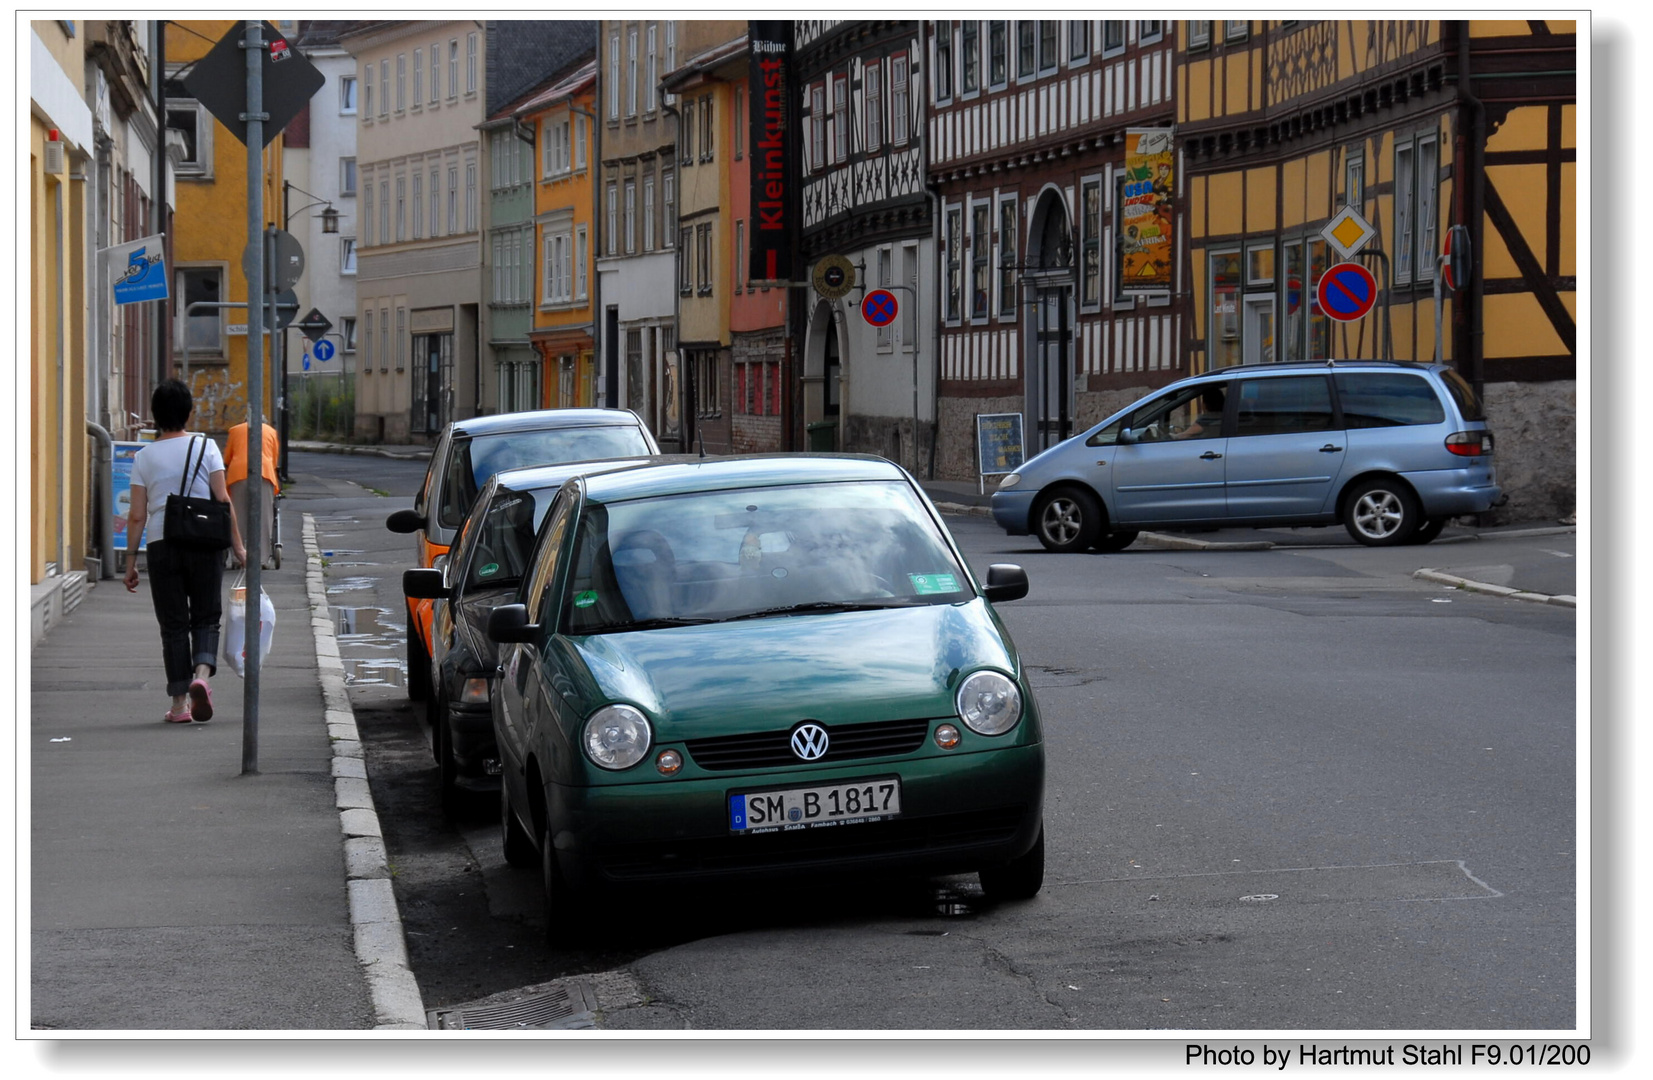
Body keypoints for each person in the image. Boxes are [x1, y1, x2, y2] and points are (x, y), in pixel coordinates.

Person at [123, 380, 247, 723]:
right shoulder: (206, 446)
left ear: (154, 416)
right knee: (206, 616)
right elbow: (223, 500)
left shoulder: (143, 457)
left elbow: (136, 514)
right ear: (190, 413)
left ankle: (179, 706)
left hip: (162, 542)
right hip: (205, 541)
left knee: (173, 625)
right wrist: (238, 546)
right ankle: (201, 677)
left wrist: (131, 562)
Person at [223, 413, 280, 568]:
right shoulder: (271, 432)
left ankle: (238, 558)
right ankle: (261, 560)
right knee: (264, 517)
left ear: (245, 420)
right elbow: (274, 459)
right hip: (264, 473)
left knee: (238, 516)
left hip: (238, 474)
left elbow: (227, 458)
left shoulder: (235, 430)